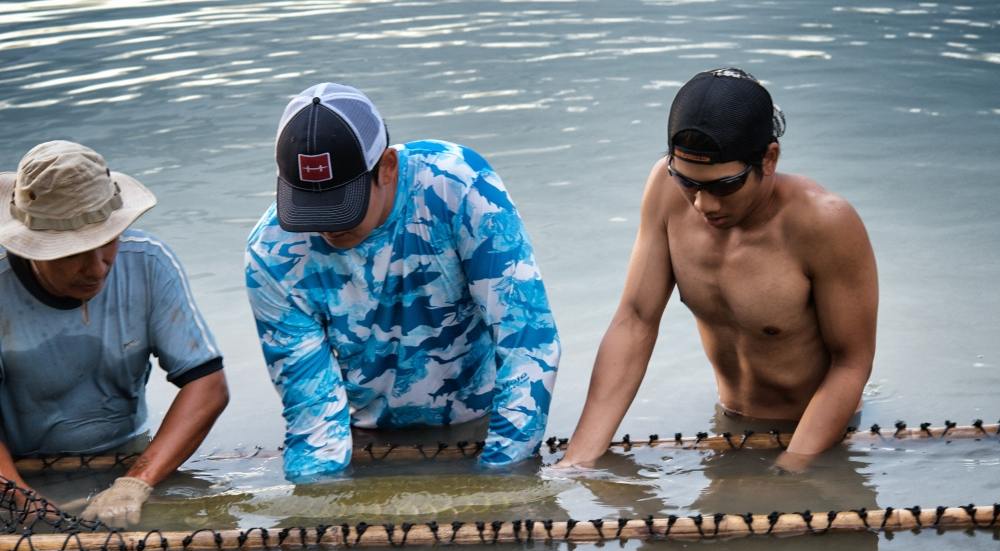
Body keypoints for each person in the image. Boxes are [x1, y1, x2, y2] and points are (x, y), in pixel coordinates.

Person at [560, 68, 877, 470]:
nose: (703, 205)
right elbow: (636, 320)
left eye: (724, 186)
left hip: (818, 435)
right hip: (727, 421)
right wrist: (576, 461)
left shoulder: (825, 223)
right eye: (687, 182)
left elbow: (851, 363)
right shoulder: (664, 188)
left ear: (769, 158)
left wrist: (792, 468)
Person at [246, 83, 560, 482]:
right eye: (311, 208)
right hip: (364, 434)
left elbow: (527, 340)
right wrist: (317, 510)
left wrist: (501, 479)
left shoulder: (457, 185)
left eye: (342, 207)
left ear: (388, 168)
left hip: (480, 418)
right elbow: (313, 411)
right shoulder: (271, 252)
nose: (326, 227)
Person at [0, 140, 229, 527]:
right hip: (16, 469)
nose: (97, 268)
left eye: (107, 241)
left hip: (128, 456)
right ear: (33, 246)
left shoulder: (150, 264)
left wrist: (136, 483)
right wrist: (25, 504)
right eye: (73, 252)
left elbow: (207, 385)